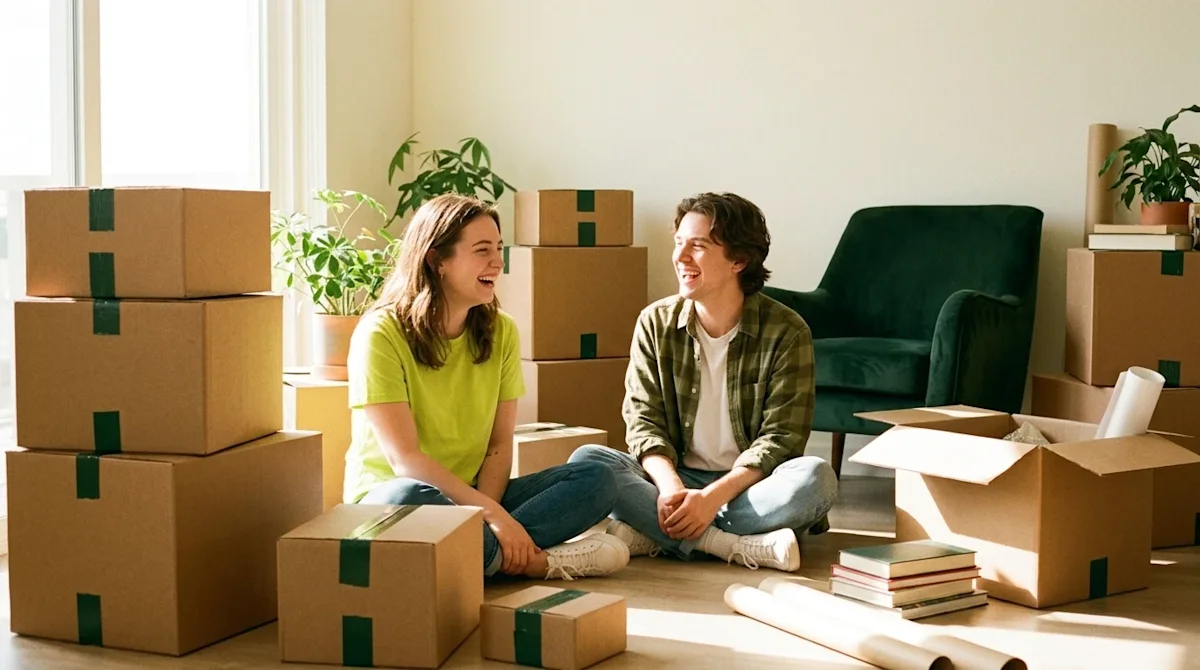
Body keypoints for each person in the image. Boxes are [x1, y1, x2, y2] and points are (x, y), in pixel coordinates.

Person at [343, 193, 629, 581]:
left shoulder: (502, 331)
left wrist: (489, 513)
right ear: (436, 260)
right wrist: (493, 518)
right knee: (406, 499)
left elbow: (498, 444)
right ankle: (538, 562)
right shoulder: (380, 334)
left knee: (597, 478)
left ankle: (482, 556)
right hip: (393, 499)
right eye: (482, 250)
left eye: (498, 248)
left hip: (475, 494)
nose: (497, 261)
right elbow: (405, 460)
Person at [569, 192, 837, 572]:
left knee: (817, 480)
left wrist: (709, 500)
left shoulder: (787, 332)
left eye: (697, 246)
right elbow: (643, 420)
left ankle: (656, 535)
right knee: (588, 462)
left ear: (739, 261)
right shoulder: (655, 322)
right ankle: (728, 545)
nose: (680, 258)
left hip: (747, 487)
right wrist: (671, 489)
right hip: (676, 476)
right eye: (679, 244)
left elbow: (781, 440)